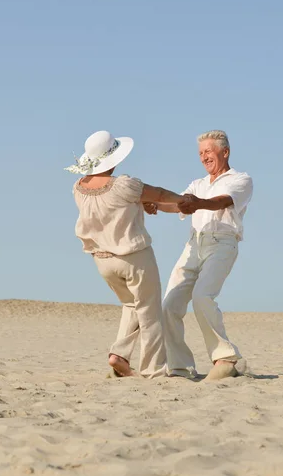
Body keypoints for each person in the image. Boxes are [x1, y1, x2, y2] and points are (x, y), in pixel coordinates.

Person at [65, 130, 190, 379]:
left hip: (102, 261)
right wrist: (185, 200)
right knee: (149, 311)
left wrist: (140, 204)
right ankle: (153, 369)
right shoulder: (124, 184)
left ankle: (119, 355)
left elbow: (112, 208)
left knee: (130, 305)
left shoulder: (78, 188)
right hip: (133, 257)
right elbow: (160, 194)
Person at [144, 130, 253, 380]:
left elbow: (222, 201)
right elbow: (181, 204)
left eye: (208, 151)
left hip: (222, 243)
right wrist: (156, 205)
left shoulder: (241, 179)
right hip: (193, 245)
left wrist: (196, 203)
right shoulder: (197, 184)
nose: (204, 157)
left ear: (224, 152)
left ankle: (225, 357)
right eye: (201, 153)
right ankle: (180, 367)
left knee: (202, 296)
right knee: (170, 304)